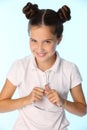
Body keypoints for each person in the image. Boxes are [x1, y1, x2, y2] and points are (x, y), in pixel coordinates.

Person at [0, 2, 86, 130]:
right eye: (34, 40)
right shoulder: (20, 66)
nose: (39, 48)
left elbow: (82, 110)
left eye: (47, 41)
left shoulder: (70, 69)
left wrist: (63, 102)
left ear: (59, 39)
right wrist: (27, 99)